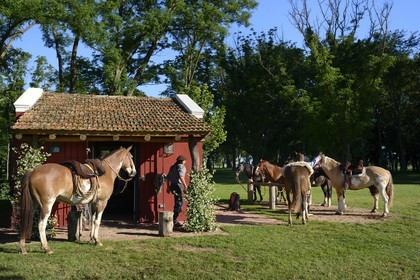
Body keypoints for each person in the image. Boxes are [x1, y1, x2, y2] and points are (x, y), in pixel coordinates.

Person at [167, 155, 189, 227]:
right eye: (185, 161)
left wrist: (168, 187)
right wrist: (185, 186)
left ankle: (174, 219)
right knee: (179, 202)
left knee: (177, 201)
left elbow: (168, 178)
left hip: (172, 185)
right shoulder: (181, 167)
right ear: (183, 161)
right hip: (178, 185)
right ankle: (175, 220)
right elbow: (181, 176)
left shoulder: (172, 167)